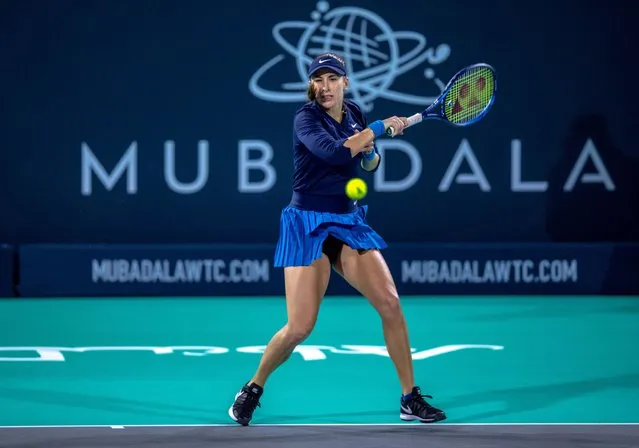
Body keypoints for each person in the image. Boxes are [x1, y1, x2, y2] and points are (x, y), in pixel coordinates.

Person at [228, 52, 446, 426]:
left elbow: (368, 164)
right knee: (300, 327)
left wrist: (373, 148)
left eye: (332, 79)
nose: (324, 87)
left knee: (391, 304)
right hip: (307, 222)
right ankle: (252, 389)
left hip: (345, 221)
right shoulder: (305, 118)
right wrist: (377, 128)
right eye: (318, 80)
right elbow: (330, 153)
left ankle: (410, 398)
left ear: (345, 82)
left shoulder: (355, 114)